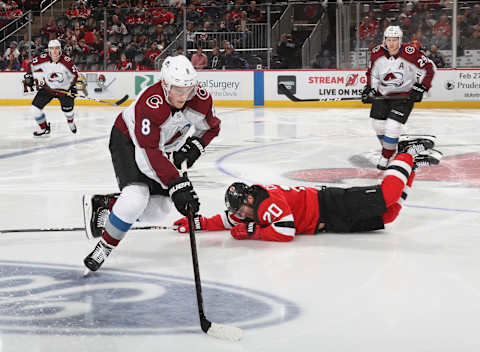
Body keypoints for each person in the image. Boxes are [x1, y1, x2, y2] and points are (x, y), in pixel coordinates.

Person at [82, 55, 221, 272]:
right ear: (165, 85)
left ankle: (107, 204)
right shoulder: (150, 104)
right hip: (128, 141)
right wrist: (176, 183)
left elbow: (210, 128)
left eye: (188, 89)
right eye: (178, 89)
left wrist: (196, 145)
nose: (184, 96)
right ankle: (105, 246)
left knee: (158, 212)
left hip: (163, 147)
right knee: (135, 198)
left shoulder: (200, 99)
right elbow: (147, 156)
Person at [173, 137, 443, 241]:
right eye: (239, 211)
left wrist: (251, 231)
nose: (240, 214)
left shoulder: (265, 202)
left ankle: (405, 153)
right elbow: (225, 219)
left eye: (242, 208)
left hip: (331, 203)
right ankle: (413, 168)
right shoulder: (248, 207)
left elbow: (285, 230)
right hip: (328, 220)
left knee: (388, 196)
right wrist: (193, 223)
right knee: (390, 214)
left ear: (250, 197)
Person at [361, 26, 436, 170]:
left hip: (404, 97)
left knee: (393, 126)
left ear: (400, 41)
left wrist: (422, 87)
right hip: (383, 95)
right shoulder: (376, 53)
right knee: (378, 125)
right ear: (384, 40)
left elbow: (429, 68)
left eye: (395, 40)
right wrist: (369, 87)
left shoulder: (410, 52)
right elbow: (371, 72)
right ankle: (392, 149)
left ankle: (386, 156)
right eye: (389, 40)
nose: (391, 44)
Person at [23, 39, 80, 136]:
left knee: (68, 112)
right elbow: (30, 65)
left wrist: (73, 87)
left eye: (57, 48)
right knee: (34, 109)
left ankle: (70, 123)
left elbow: (75, 75)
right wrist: (29, 75)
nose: (54, 51)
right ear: (48, 50)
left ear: (60, 49)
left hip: (64, 90)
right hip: (48, 89)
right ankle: (44, 128)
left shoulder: (67, 61)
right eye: (52, 48)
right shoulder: (42, 58)